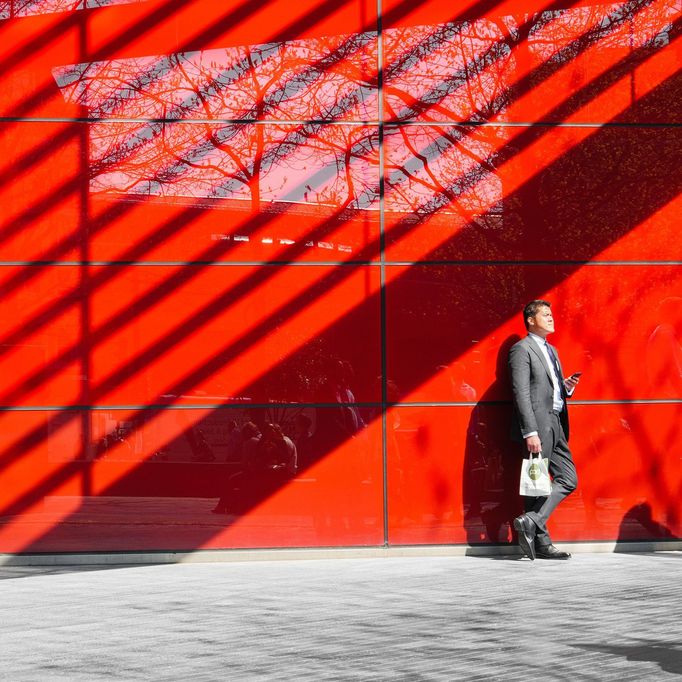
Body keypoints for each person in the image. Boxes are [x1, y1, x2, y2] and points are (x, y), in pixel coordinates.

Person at [508, 300, 581, 560]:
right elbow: (521, 393)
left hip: (557, 422)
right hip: (538, 425)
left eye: (552, 314)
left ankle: (530, 520)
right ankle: (542, 543)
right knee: (537, 484)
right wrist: (530, 431)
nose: (551, 318)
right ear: (530, 319)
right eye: (546, 314)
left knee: (568, 479)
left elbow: (549, 388)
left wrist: (566, 388)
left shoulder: (552, 351)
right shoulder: (521, 349)